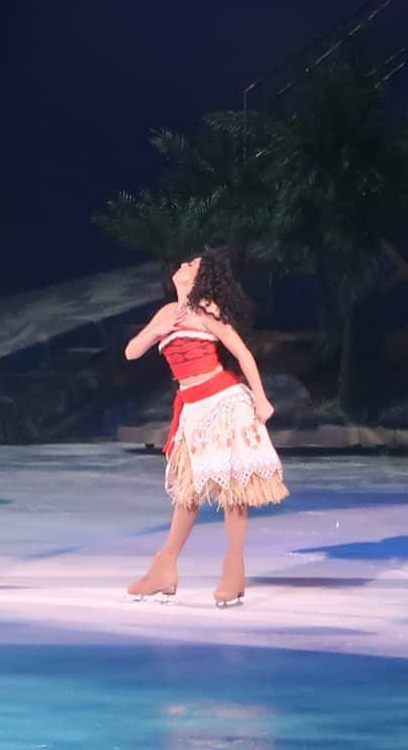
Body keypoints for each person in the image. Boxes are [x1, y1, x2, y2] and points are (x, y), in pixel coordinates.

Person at [122, 250, 288, 607]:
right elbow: (132, 353)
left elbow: (242, 353)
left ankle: (234, 567)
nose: (183, 265)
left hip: (224, 403)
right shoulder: (167, 313)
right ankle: (164, 567)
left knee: (233, 487)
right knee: (187, 493)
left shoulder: (207, 310)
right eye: (184, 263)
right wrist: (158, 330)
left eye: (192, 266)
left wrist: (260, 399)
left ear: (200, 280)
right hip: (192, 410)